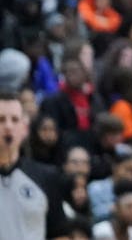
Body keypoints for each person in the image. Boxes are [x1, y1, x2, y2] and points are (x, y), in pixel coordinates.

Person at [0, 88, 69, 240]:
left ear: (24, 129)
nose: (8, 126)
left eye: (14, 119)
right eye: (1, 119)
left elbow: (59, 233)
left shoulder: (46, 176)